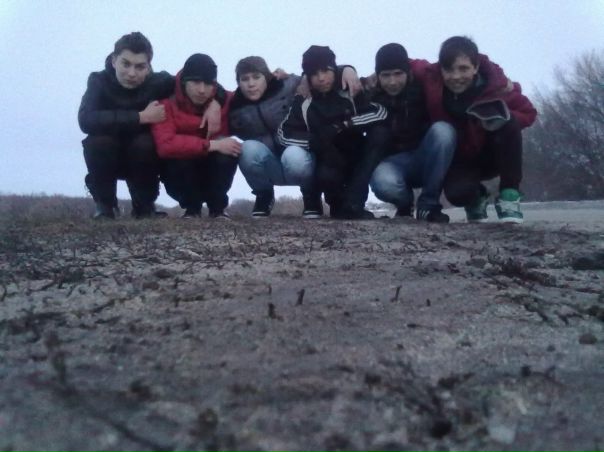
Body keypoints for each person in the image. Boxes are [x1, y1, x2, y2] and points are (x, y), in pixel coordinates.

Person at [420, 36, 537, 223]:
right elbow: (406, 65)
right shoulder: (431, 81)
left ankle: (509, 195)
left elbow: (529, 113)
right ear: (441, 69)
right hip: (459, 161)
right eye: (449, 70)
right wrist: (367, 75)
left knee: (508, 120)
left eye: (463, 69)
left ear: (475, 67)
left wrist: (495, 118)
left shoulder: (495, 87)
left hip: (493, 154)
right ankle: (476, 198)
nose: (456, 77)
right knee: (458, 194)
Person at [229, 56, 362, 218]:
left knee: (293, 155)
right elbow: (217, 95)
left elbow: (317, 73)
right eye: (245, 79)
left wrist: (347, 69)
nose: (251, 84)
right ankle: (264, 195)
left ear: (267, 76)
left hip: (299, 158)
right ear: (238, 82)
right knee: (246, 148)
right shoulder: (235, 105)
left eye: (256, 77)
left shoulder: (288, 85)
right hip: (268, 163)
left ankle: (311, 195)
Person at [278, 45, 387, 219]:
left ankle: (355, 202)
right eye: (314, 74)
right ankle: (333, 204)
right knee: (327, 176)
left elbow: (380, 112)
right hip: (327, 159)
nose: (321, 78)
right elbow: (284, 133)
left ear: (334, 69)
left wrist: (344, 125)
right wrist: (315, 140)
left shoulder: (350, 89)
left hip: (356, 155)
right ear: (307, 76)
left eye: (325, 71)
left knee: (380, 134)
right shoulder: (304, 99)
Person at [78, 32, 173, 219]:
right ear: (114, 61)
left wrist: (214, 102)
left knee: (145, 143)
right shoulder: (98, 81)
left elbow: (192, 82)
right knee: (98, 142)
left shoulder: (159, 82)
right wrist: (140, 117)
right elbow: (85, 120)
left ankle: (144, 207)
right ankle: (105, 206)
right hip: (106, 157)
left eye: (140, 67)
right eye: (126, 64)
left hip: (143, 158)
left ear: (149, 67)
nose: (131, 73)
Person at [366, 43, 456, 223]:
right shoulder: (369, 96)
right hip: (392, 163)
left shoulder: (425, 87)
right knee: (383, 182)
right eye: (386, 75)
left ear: (408, 72)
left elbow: (458, 64)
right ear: (377, 76)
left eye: (398, 74)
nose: (392, 82)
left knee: (444, 131)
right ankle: (405, 204)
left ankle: (429, 205)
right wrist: (347, 70)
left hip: (425, 155)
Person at [151, 53, 241, 218]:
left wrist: (277, 79)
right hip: (181, 175)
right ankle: (192, 208)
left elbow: (255, 93)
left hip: (212, 170)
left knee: (229, 150)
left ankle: (218, 209)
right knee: (178, 157)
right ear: (184, 82)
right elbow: (165, 145)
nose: (202, 90)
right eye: (196, 82)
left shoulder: (225, 100)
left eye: (208, 83)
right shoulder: (166, 104)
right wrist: (213, 145)